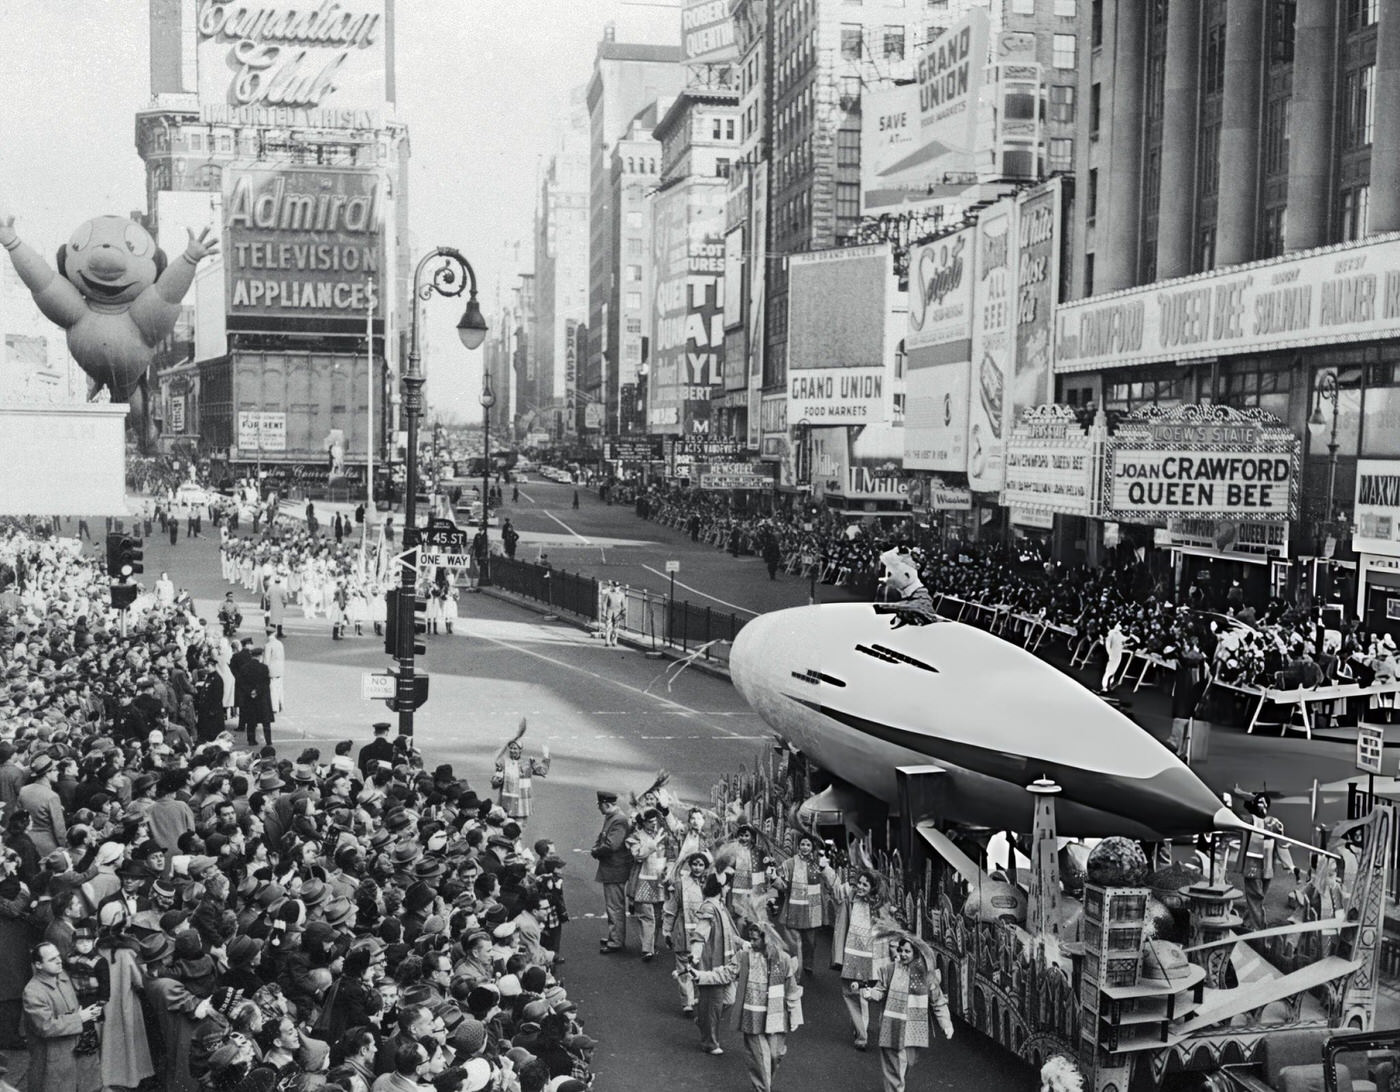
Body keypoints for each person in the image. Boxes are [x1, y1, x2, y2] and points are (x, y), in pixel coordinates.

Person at [687, 913, 803, 1089]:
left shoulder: (783, 959)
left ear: (766, 940)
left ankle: (764, 1083)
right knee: (760, 1058)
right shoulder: (744, 956)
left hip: (777, 1017)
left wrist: (795, 1015)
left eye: (755, 939)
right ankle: (762, 1088)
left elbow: (792, 990)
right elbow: (725, 974)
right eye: (750, 939)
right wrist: (700, 976)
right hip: (752, 1017)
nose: (751, 943)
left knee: (775, 1055)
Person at [860, 931, 954, 1092]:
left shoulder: (927, 975)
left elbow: (938, 1001)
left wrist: (946, 1024)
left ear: (916, 953)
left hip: (914, 1030)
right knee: (895, 1067)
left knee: (907, 1063)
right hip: (891, 1026)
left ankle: (897, 1085)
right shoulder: (890, 969)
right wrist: (870, 994)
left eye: (907, 951)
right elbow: (880, 990)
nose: (903, 954)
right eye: (900, 950)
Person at [23, 941, 104, 1092]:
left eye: (58, 956)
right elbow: (45, 1026)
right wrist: (79, 1018)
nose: (59, 961)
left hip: (77, 1055)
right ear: (38, 965)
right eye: (52, 959)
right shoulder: (33, 992)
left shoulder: (63, 976)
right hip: (53, 1061)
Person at [770, 831, 836, 976]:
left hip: (813, 910)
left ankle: (808, 963)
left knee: (810, 942)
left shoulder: (818, 863)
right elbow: (782, 885)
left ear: (812, 848)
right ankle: (795, 969)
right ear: (798, 846)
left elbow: (832, 881)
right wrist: (774, 878)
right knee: (794, 942)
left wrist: (825, 868)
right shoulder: (790, 863)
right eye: (802, 844)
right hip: (793, 908)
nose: (805, 847)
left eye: (808, 845)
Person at [1235, 791, 1298, 932]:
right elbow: (1235, 818)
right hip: (1252, 867)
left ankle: (1247, 922)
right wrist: (1247, 798)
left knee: (1257, 899)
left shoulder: (1274, 823)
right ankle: (1258, 928)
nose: (1262, 805)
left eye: (1265, 803)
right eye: (1259, 802)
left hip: (1267, 868)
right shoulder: (1249, 820)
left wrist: (1291, 866)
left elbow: (1281, 846)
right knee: (1255, 898)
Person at [590, 790, 631, 954]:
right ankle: (614, 936)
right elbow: (603, 837)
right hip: (612, 868)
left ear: (606, 804)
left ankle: (616, 941)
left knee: (615, 907)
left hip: (615, 869)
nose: (598, 808)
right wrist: (596, 847)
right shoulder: (612, 817)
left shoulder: (618, 820)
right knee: (613, 906)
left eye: (599, 805)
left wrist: (596, 851)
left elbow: (612, 845)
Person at [492, 721, 551, 823]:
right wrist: (497, 780)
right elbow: (495, 783)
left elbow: (543, 771)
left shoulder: (528, 763)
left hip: (522, 806)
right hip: (506, 805)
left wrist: (546, 756)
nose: (512, 751)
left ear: (520, 750)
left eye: (515, 748)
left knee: (519, 829)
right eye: (511, 748)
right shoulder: (503, 763)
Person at [238, 647, 274, 748]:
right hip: (262, 698)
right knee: (265, 721)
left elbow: (241, 683)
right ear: (260, 656)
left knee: (251, 720)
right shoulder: (264, 668)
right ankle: (268, 740)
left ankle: (251, 740)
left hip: (249, 698)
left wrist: (250, 691)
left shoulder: (244, 668)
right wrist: (257, 691)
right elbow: (266, 683)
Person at [600, 580, 626, 647]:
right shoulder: (609, 594)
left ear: (619, 587)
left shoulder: (621, 595)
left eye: (617, 587)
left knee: (616, 628)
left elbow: (623, 605)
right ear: (613, 587)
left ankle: (614, 642)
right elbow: (604, 603)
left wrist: (623, 612)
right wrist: (604, 611)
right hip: (609, 612)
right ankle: (607, 642)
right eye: (615, 586)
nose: (616, 588)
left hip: (617, 614)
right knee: (608, 627)